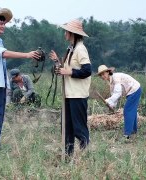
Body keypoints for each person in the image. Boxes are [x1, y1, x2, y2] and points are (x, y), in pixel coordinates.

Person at [0, 8, 40, 158]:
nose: (3, 26)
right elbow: (4, 53)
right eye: (1, 23)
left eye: (4, 24)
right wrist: (27, 55)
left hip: (1, 85)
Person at [49, 19, 92, 156]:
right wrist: (57, 62)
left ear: (72, 33)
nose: (64, 34)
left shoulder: (80, 49)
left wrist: (69, 72)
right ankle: (68, 156)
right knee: (67, 128)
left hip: (78, 95)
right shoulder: (70, 48)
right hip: (68, 94)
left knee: (79, 128)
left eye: (66, 31)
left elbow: (87, 71)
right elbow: (65, 69)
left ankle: (85, 156)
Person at [97, 65, 142, 139]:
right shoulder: (111, 83)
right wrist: (112, 105)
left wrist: (108, 100)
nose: (102, 76)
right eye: (100, 75)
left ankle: (127, 134)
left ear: (108, 72)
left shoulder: (115, 78)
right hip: (131, 91)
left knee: (127, 111)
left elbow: (118, 93)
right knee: (132, 110)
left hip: (134, 89)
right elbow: (114, 95)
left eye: (103, 74)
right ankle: (133, 131)